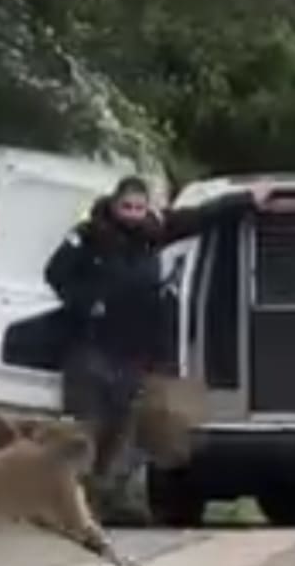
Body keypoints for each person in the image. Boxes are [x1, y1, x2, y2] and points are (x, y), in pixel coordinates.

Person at [44, 175, 268, 517]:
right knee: (86, 428)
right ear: (114, 204)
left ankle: (102, 503)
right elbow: (55, 274)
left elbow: (201, 217)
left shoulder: (155, 232)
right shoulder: (89, 234)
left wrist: (247, 200)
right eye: (126, 207)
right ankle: (66, 500)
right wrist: (88, 303)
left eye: (139, 207)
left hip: (136, 350)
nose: (133, 214)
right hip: (93, 347)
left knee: (125, 430)